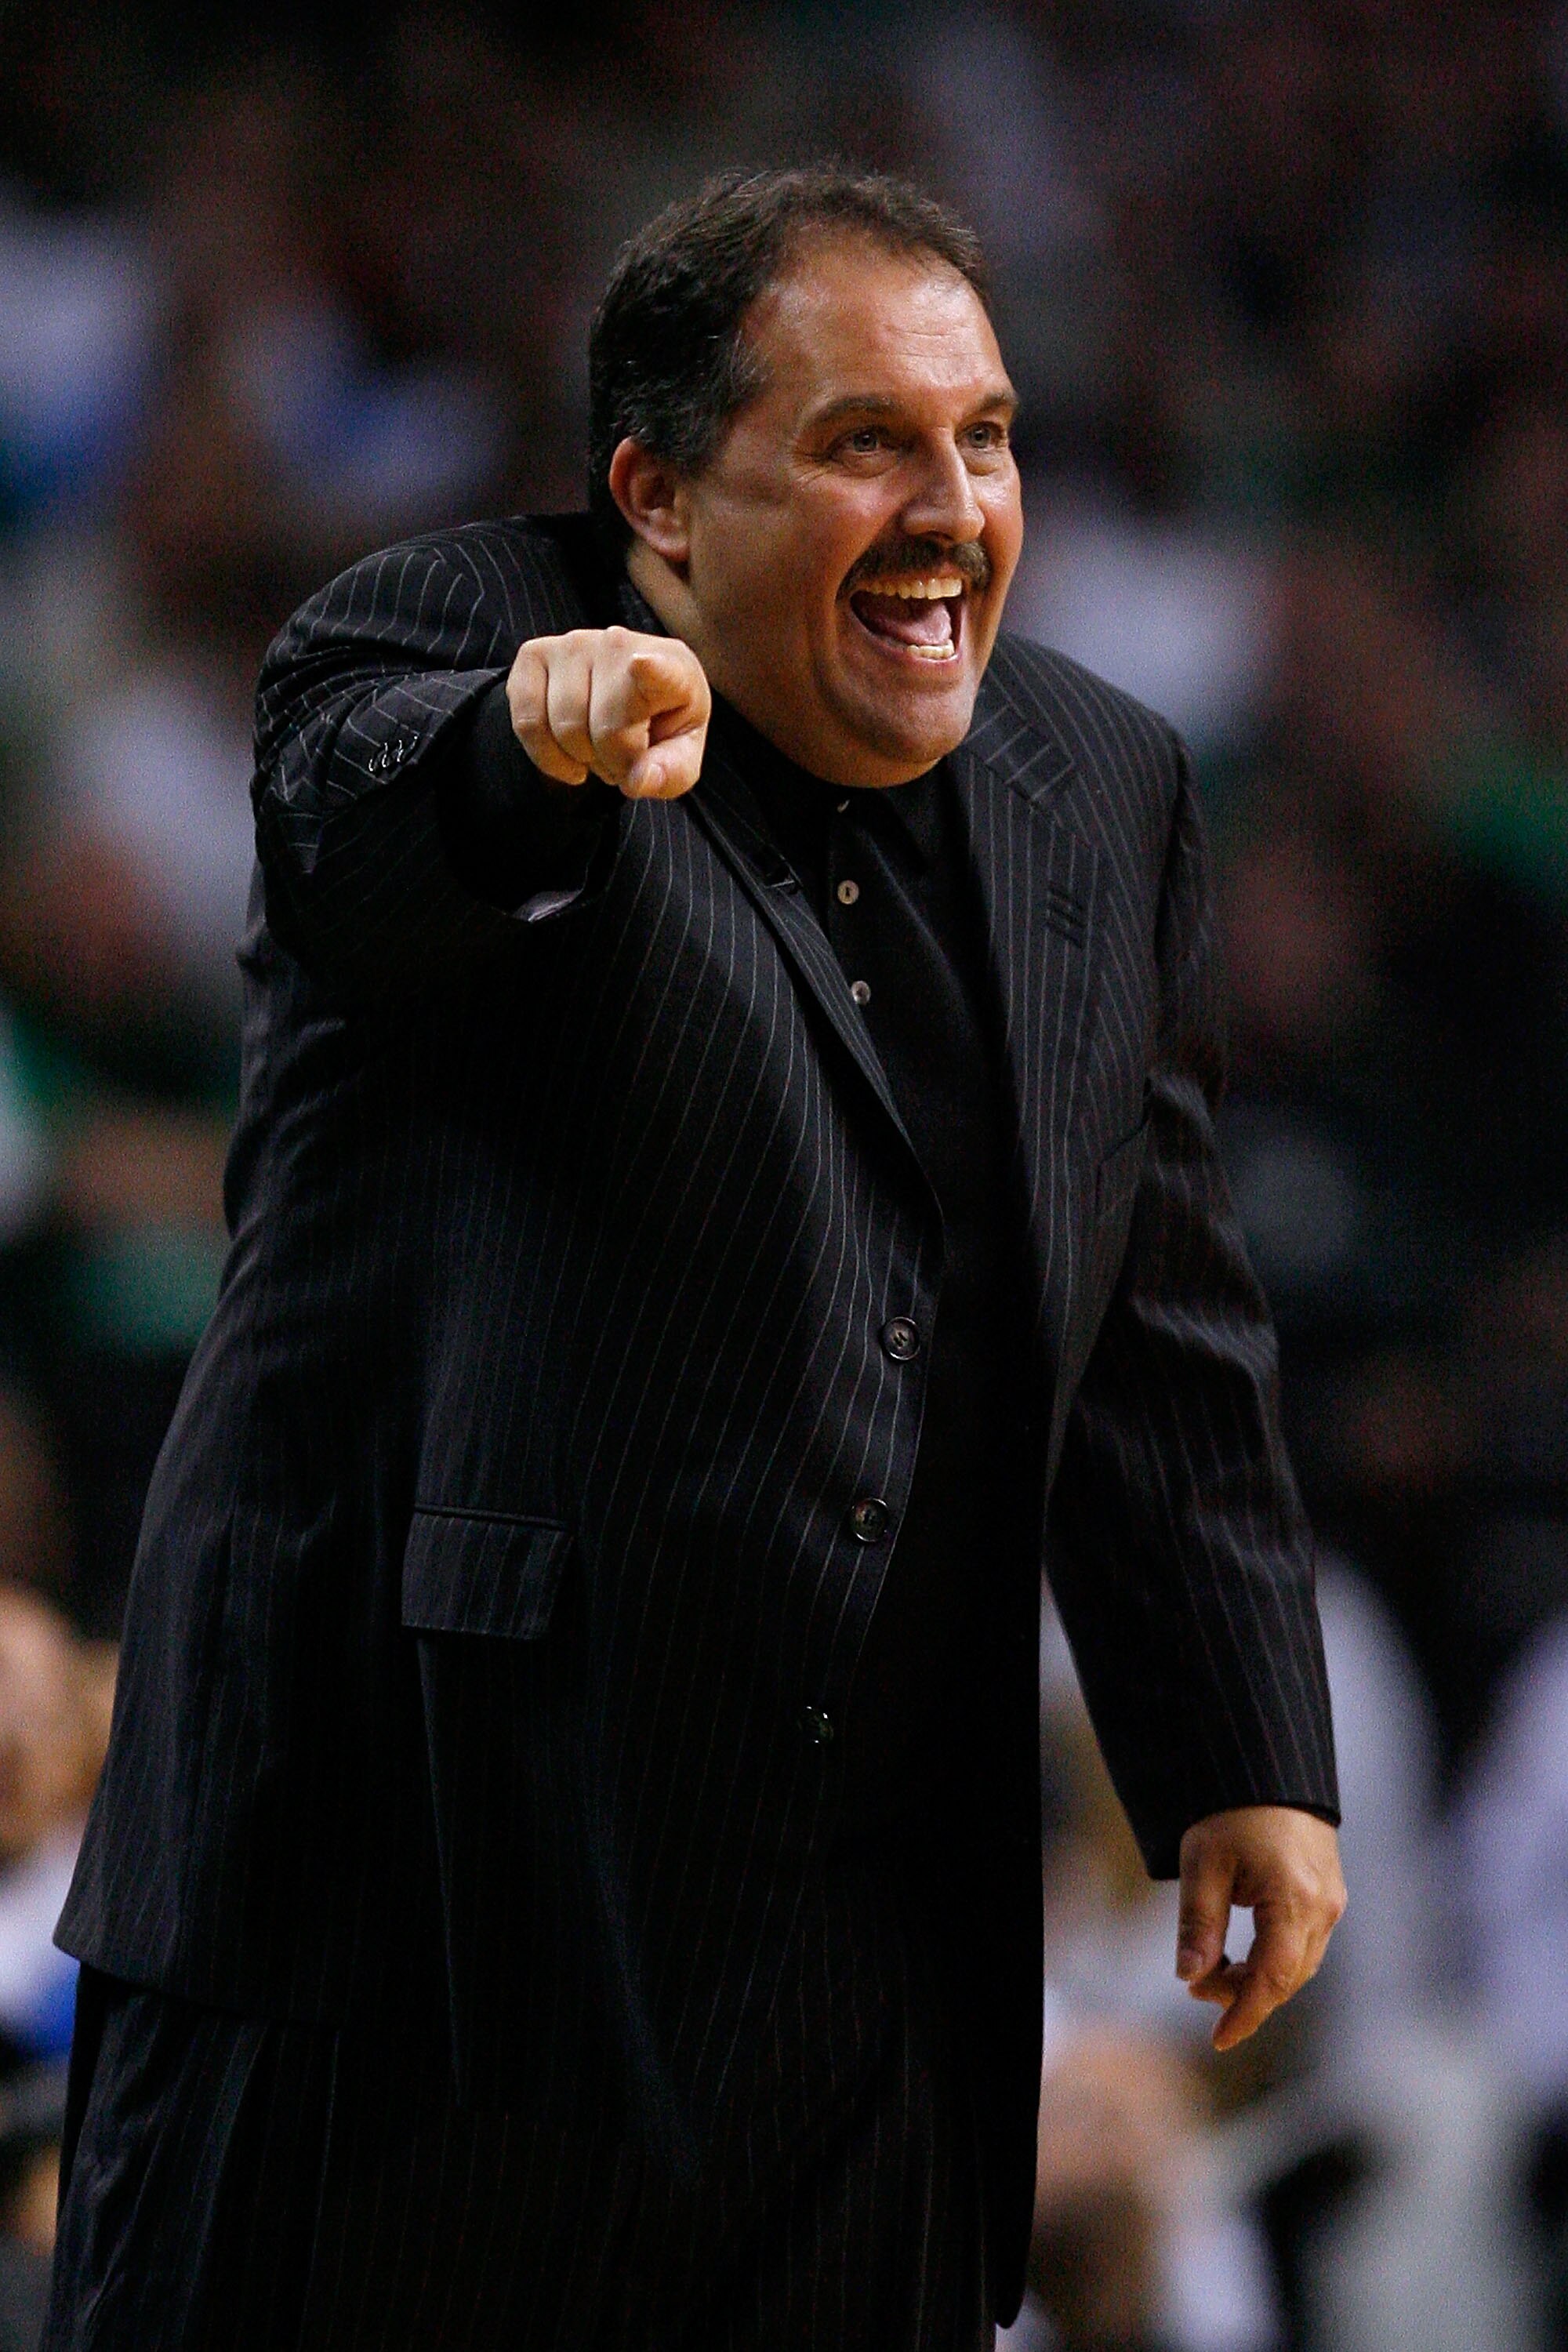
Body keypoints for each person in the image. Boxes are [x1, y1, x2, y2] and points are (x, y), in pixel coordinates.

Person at [42, 166, 1343, 2352]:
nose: (954, 507)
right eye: (866, 442)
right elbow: (369, 835)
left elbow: (1148, 1318)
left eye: (989, 436)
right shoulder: (438, 641)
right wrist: (531, 753)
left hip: (859, 1985)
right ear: (652, 489)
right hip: (412, 1931)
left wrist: (1241, 1742)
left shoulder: (1100, 785)